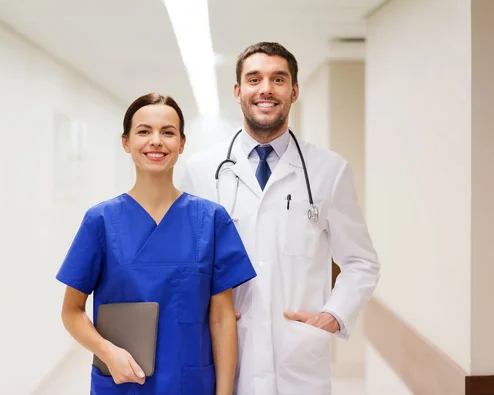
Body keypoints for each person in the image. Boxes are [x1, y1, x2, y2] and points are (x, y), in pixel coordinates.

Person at [179, 42, 381, 395]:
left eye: (278, 79)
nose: (266, 89)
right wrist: (202, 308)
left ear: (294, 91)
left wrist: (333, 315)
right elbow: (181, 262)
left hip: (298, 363)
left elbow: (361, 261)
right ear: (238, 91)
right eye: (254, 79)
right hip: (225, 355)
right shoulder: (201, 171)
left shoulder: (328, 170)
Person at [55, 92, 257, 395]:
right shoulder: (101, 221)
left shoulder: (212, 220)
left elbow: (222, 317)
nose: (156, 141)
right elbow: (71, 311)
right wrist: (108, 352)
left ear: (182, 144)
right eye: (144, 131)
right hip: (124, 384)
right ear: (126, 142)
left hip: (191, 383)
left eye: (168, 132)